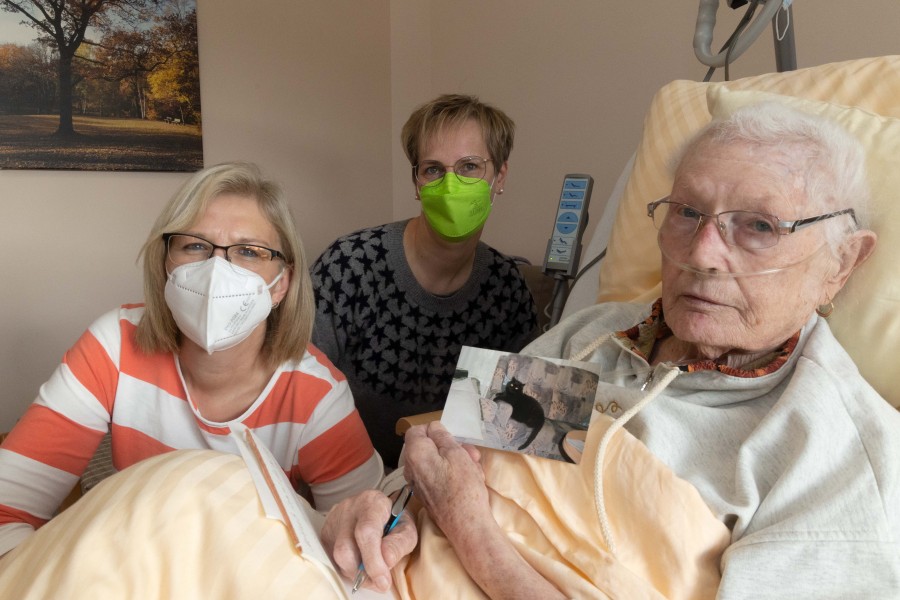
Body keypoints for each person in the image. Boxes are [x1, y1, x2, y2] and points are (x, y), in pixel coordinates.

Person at [327, 102, 900, 598]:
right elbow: (441, 462)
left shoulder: (837, 451)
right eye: (687, 212)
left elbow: (460, 505)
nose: (702, 253)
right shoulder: (596, 334)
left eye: (758, 226)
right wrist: (376, 506)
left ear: (842, 263)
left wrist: (477, 540)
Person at [0, 162, 383, 558]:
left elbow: (362, 543)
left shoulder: (317, 394)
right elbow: (5, 509)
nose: (217, 269)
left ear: (281, 284)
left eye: (249, 251)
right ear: (166, 262)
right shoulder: (112, 346)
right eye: (195, 245)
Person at [311, 94, 538, 468]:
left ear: (500, 177)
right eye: (433, 169)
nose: (450, 185)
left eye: (469, 166)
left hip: (457, 478)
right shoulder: (349, 267)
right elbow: (296, 393)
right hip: (343, 474)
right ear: (417, 182)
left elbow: (514, 428)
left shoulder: (507, 291)